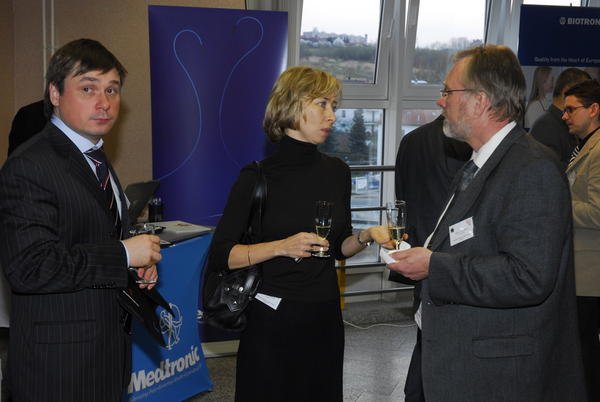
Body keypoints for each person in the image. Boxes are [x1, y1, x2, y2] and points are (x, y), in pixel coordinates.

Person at [387, 44, 586, 402]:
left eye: (448, 91)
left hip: (499, 376)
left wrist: (433, 265)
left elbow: (528, 276)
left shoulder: (532, 168)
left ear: (479, 101)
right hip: (462, 361)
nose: (441, 101)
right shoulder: (482, 162)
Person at [207, 66, 389, 402]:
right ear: (291, 104)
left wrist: (365, 236)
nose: (331, 116)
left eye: (334, 106)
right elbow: (222, 254)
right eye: (322, 104)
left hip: (324, 314)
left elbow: (338, 247)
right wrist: (281, 246)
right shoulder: (257, 177)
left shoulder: (337, 172)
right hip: (272, 317)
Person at [0, 38, 162, 401]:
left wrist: (131, 268)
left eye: (112, 90)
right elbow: (30, 267)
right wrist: (123, 254)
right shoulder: (30, 166)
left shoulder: (95, 158)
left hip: (103, 354)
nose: (104, 102)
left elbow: (90, 239)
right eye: (88, 88)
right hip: (58, 368)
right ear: (55, 93)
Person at [393, 114, 471, 402]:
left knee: (424, 334)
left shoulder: (411, 140)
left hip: (418, 250)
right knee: (439, 343)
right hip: (449, 259)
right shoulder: (464, 143)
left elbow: (401, 196)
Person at [563, 79, 600, 402]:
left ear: (594, 109)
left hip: (591, 273)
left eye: (571, 109)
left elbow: (598, 212)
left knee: (587, 350)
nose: (565, 116)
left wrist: (560, 204)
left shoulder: (598, 151)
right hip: (581, 270)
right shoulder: (585, 146)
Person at [529, 67, 591, 168]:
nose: (589, 101)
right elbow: (549, 171)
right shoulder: (545, 126)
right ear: (567, 92)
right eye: (585, 95)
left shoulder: (563, 124)